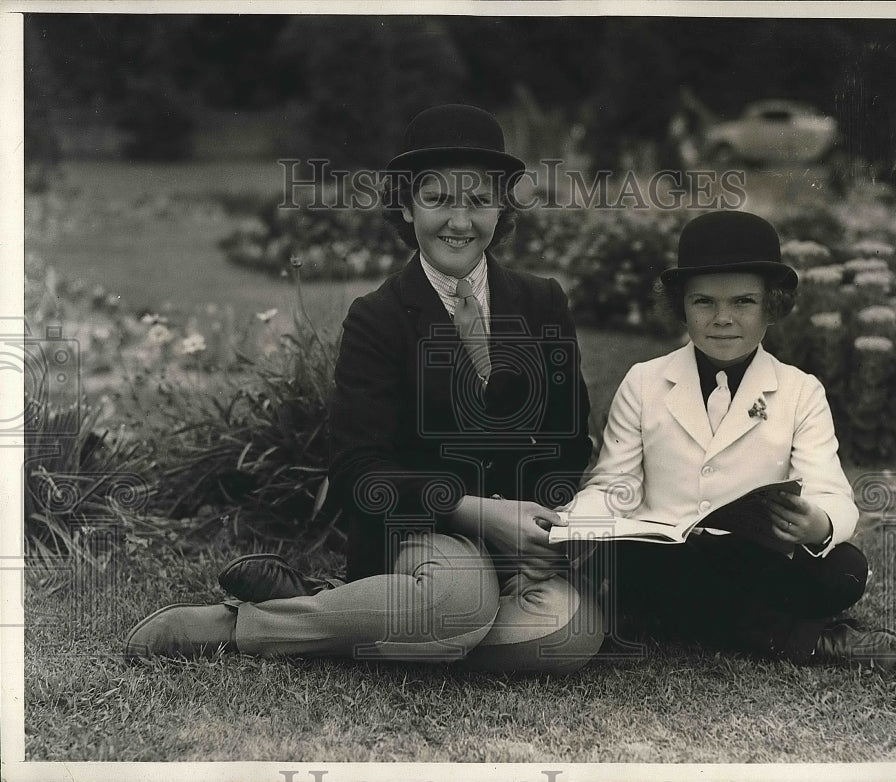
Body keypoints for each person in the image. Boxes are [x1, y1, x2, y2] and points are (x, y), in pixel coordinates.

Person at [124, 104, 605, 674]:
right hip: (427, 532)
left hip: (520, 541)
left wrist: (549, 523)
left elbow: (570, 439)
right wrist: (476, 511)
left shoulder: (542, 300)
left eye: (478, 200)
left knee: (573, 634)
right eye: (438, 198)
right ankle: (241, 625)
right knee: (458, 601)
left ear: (501, 208)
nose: (460, 219)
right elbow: (358, 470)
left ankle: (383, 618)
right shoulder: (378, 317)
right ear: (405, 205)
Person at [564, 210, 896, 675]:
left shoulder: (799, 390)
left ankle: (681, 616)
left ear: (773, 306)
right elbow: (614, 483)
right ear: (680, 306)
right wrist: (575, 524)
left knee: (844, 569)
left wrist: (817, 522)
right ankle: (807, 640)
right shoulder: (644, 382)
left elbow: (831, 491)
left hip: (753, 559)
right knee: (637, 564)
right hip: (667, 554)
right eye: (704, 302)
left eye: (744, 302)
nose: (723, 319)